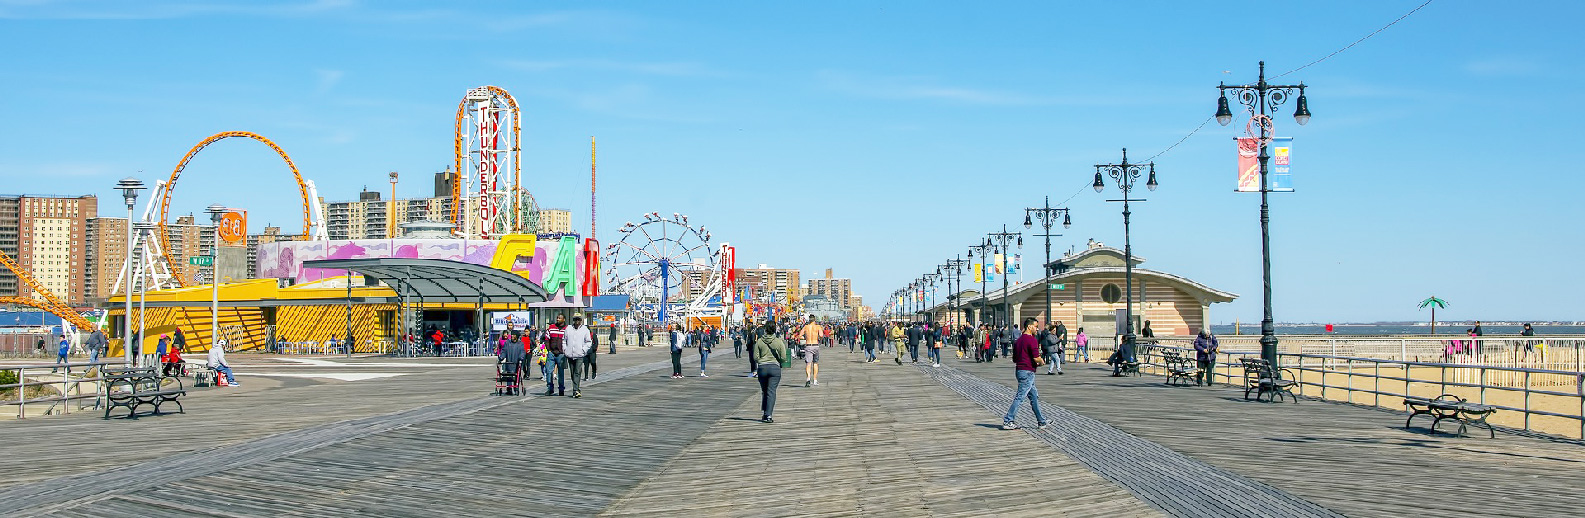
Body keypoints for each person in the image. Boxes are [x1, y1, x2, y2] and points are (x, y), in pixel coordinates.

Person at [1003, 317, 1049, 431]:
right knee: (1020, 396)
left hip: (1019, 370)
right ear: (1029, 326)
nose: (1037, 329)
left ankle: (1041, 421)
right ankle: (1008, 420)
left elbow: (1014, 359)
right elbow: (1036, 358)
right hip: (1028, 372)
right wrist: (1042, 362)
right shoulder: (1032, 340)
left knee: (1033, 396)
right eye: (1036, 326)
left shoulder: (1018, 341)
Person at [751, 319, 786, 423]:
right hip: (774, 368)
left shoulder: (760, 341)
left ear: (765, 329)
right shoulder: (778, 342)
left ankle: (765, 412)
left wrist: (762, 360)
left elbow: (755, 357)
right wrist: (778, 360)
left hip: (762, 368)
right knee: (771, 391)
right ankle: (768, 415)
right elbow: (784, 358)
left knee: (765, 390)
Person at [562, 315, 592, 398]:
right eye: (575, 319)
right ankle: (576, 388)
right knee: (572, 373)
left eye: (578, 319)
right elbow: (564, 340)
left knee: (577, 372)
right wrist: (565, 349)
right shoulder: (568, 328)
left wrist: (583, 350)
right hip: (570, 354)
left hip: (579, 355)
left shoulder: (585, 330)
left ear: (581, 320)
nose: (577, 321)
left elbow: (588, 342)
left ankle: (576, 390)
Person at [798, 316, 823, 387]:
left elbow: (800, 335)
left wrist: (805, 337)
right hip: (815, 345)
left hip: (808, 345)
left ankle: (808, 378)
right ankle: (815, 380)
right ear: (814, 320)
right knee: (815, 363)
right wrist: (818, 337)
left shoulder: (806, 327)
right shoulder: (818, 327)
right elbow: (821, 335)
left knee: (808, 363)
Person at [544, 319, 567, 396]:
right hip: (552, 353)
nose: (558, 319)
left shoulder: (566, 329)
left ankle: (561, 389)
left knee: (561, 372)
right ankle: (550, 388)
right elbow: (546, 339)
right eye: (557, 318)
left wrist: (565, 351)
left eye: (560, 318)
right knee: (549, 371)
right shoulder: (551, 328)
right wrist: (549, 349)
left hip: (561, 354)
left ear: (564, 319)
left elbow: (569, 340)